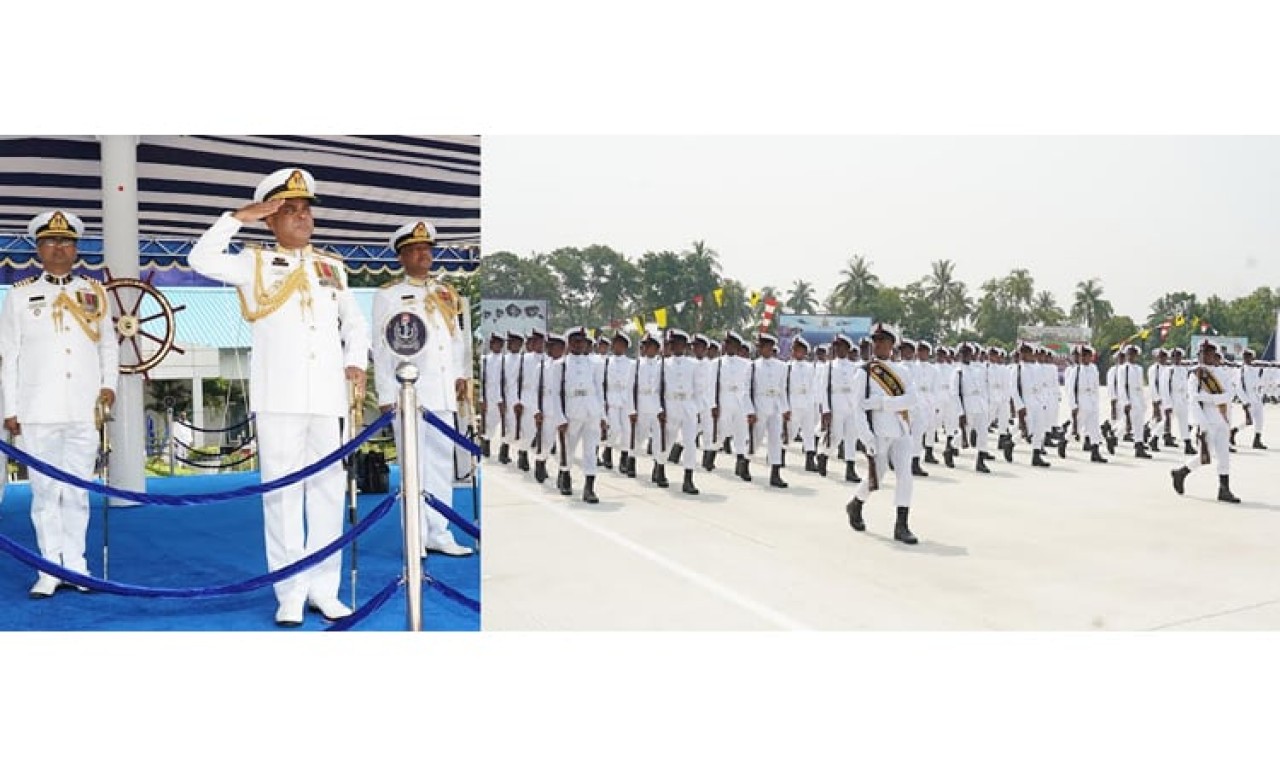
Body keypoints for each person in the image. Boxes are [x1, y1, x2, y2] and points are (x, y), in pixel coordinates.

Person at [188, 168, 369, 627]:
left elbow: (355, 323)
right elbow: (200, 258)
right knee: (283, 496)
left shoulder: (332, 267)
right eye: (291, 211)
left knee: (327, 493)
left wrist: (356, 362)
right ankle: (290, 591)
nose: (303, 217)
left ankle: (324, 589)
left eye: (307, 210)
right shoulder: (253, 262)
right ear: (270, 219)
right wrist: (237, 218)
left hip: (327, 397)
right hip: (279, 398)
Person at [0, 210, 118, 597]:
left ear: (76, 248)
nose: (58, 248)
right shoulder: (19, 295)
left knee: (78, 491)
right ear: (38, 248)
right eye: (50, 241)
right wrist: (10, 409)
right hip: (37, 410)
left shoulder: (94, 292)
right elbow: (9, 356)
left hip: (84, 409)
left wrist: (109, 387)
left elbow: (107, 346)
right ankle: (49, 569)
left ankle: (77, 567)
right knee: (45, 493)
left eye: (66, 241)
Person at [372, 220, 474, 559]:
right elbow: (382, 346)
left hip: (442, 393)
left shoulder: (446, 292)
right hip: (409, 393)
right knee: (414, 466)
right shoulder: (389, 294)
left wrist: (459, 376)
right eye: (415, 249)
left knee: (442, 465)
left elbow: (455, 341)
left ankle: (439, 533)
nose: (423, 254)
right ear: (401, 256)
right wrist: (385, 394)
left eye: (427, 248)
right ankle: (415, 537)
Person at [845, 322, 919, 545]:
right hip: (878, 432)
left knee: (905, 476)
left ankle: (901, 525)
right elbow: (857, 408)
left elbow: (911, 400)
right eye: (876, 341)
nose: (879, 345)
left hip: (902, 430)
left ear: (891, 345)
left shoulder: (903, 371)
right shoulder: (865, 373)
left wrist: (881, 403)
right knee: (877, 474)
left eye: (884, 341)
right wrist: (866, 437)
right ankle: (856, 503)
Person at [1171, 341, 1241, 503]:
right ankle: (1181, 472)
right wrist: (1201, 424)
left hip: (1222, 419)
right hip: (1206, 420)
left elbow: (1230, 395)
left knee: (1224, 456)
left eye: (1208, 353)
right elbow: (1193, 400)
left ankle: (1224, 489)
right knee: (1205, 456)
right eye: (1202, 353)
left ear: (1214, 355)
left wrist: (1210, 398)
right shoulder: (1195, 375)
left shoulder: (1222, 373)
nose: (1205, 356)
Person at [554, 327, 606, 503]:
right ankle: (565, 474)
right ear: (569, 343)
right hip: (571, 411)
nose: (579, 344)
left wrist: (603, 416)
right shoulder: (560, 365)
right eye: (575, 341)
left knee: (590, 451)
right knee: (568, 449)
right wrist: (560, 418)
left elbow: (599, 390)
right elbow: (555, 394)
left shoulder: (594, 364)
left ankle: (589, 487)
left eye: (582, 341)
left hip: (592, 411)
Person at [751, 333, 791, 488]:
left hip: (775, 405)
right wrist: (750, 410)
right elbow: (749, 390)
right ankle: (745, 461)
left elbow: (782, 389)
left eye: (768, 347)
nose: (765, 349)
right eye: (762, 347)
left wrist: (785, 408)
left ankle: (775, 473)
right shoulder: (753, 366)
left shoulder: (781, 366)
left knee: (776, 440)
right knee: (756, 438)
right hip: (759, 404)